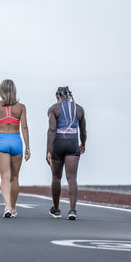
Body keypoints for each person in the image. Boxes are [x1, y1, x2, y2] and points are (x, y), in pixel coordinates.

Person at [0, 79, 31, 218]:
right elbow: (24, 127)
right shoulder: (21, 107)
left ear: (1, 90)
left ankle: (6, 206)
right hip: (16, 141)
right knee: (14, 177)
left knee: (4, 177)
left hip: (2, 141)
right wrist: (27, 146)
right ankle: (13, 207)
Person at [46, 86, 87, 220]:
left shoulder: (54, 109)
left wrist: (48, 150)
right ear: (69, 96)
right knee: (72, 178)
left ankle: (56, 210)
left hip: (58, 144)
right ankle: (72, 210)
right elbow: (83, 132)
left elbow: (52, 130)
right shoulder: (79, 109)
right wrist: (83, 144)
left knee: (56, 177)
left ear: (58, 97)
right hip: (72, 144)